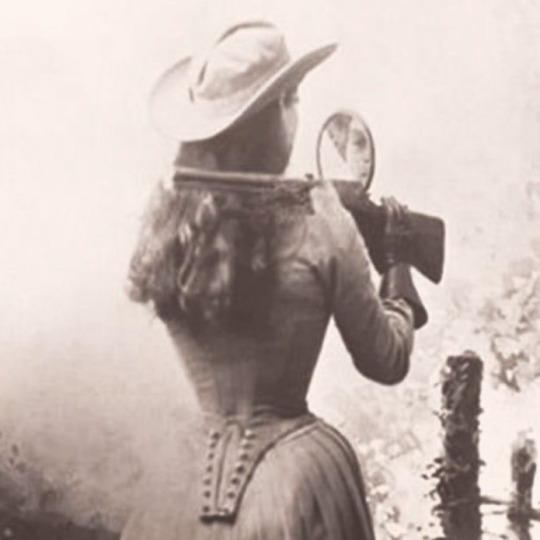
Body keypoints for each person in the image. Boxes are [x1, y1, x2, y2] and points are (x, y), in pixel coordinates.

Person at [122, 20, 426, 540]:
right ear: (280, 109)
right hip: (297, 480)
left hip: (183, 486)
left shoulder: (170, 218)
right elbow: (387, 359)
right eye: (294, 99)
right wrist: (397, 269)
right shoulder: (320, 218)